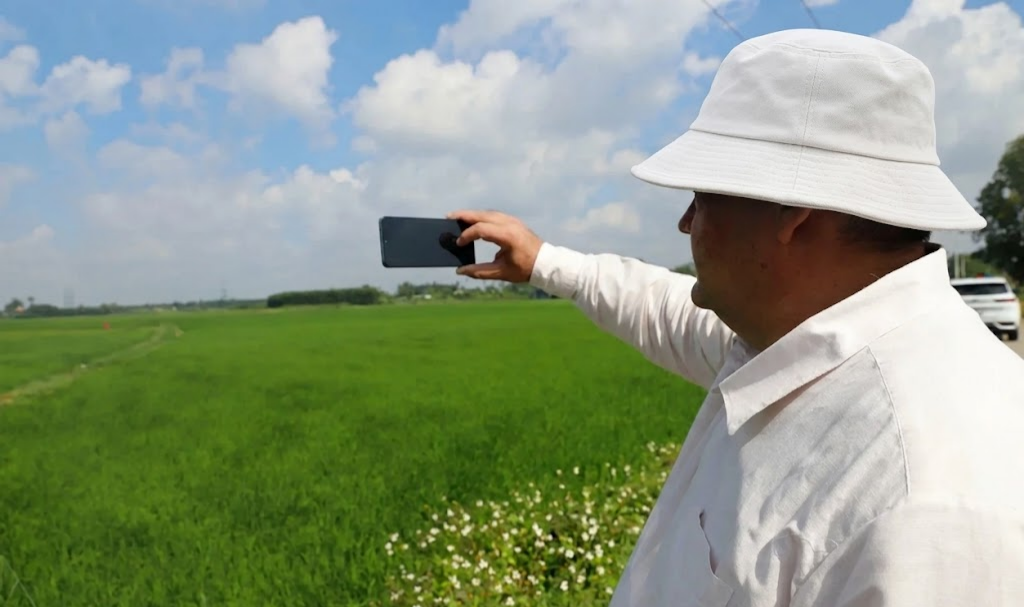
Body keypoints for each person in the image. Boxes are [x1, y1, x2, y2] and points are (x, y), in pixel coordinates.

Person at [447, 29, 1024, 607]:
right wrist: (544, 261)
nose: (685, 222)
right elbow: (663, 308)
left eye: (703, 196)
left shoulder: (927, 508)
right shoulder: (797, 340)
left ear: (792, 215)